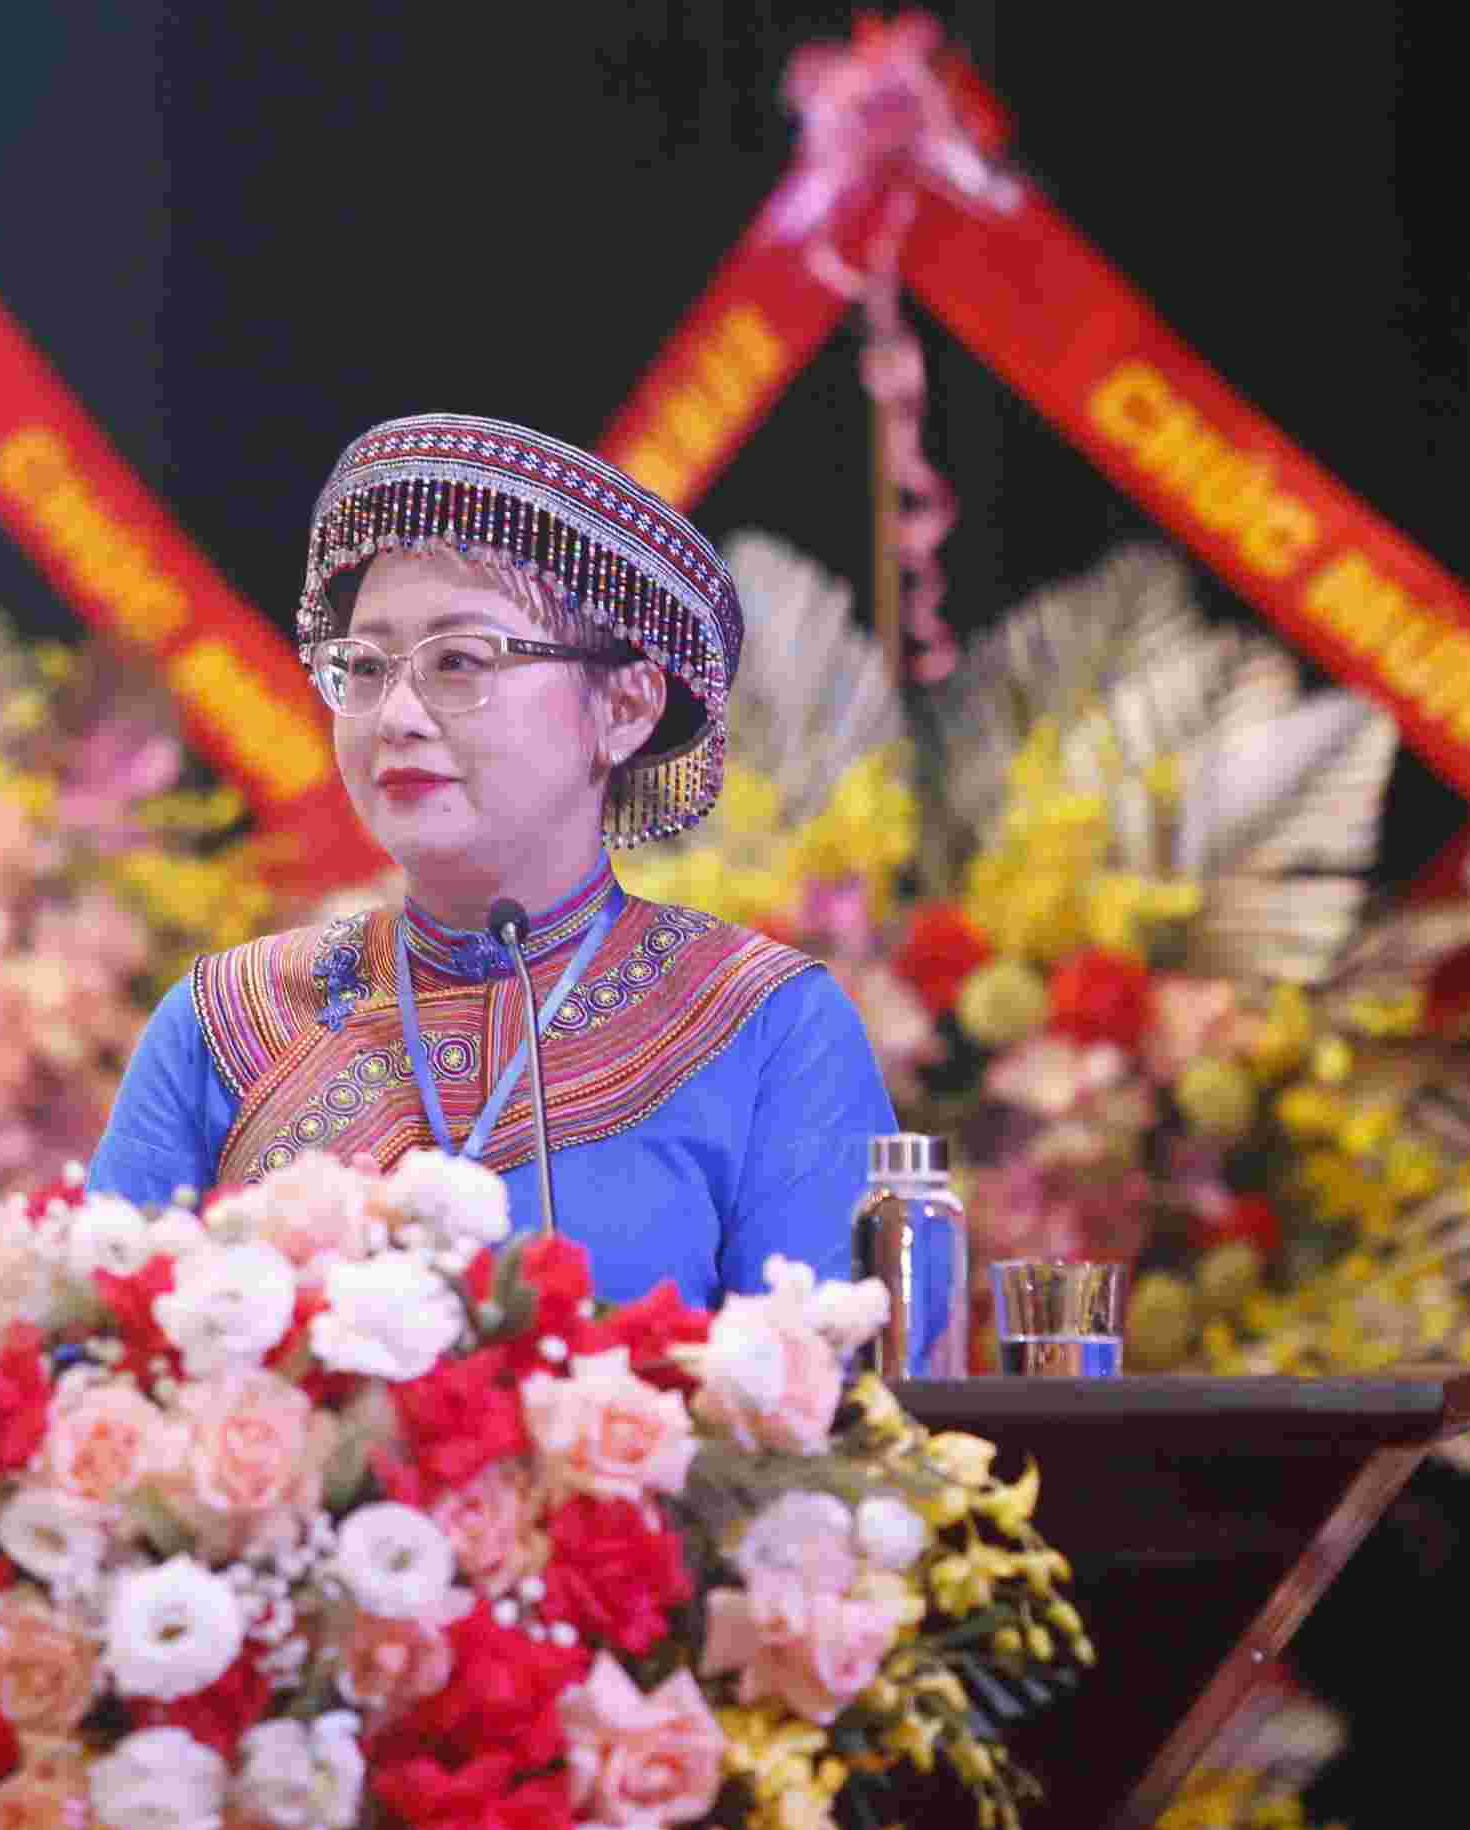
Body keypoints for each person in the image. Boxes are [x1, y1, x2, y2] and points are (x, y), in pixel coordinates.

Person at [89, 414, 896, 1306]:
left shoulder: (765, 1028)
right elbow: (99, 1362)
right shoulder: (225, 1025)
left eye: (460, 660)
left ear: (623, 709)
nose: (394, 715)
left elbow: (850, 1415)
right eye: (361, 667)